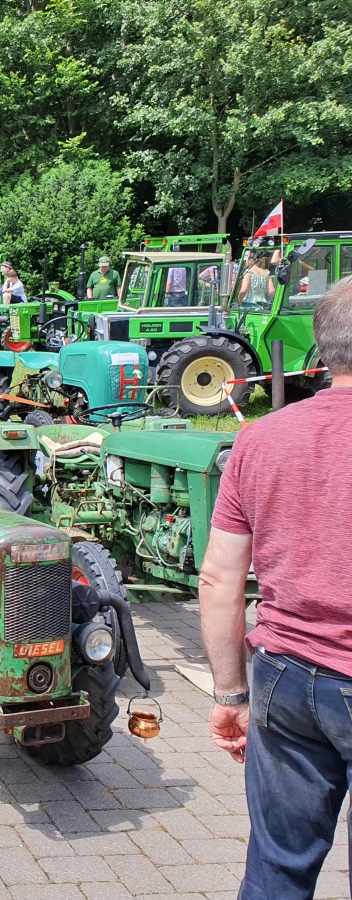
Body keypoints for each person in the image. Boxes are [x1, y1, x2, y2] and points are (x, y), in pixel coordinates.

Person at [199, 275, 352, 900]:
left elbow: (218, 579)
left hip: (285, 679)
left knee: (278, 870)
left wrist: (230, 691)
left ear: (321, 350)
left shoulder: (260, 438)